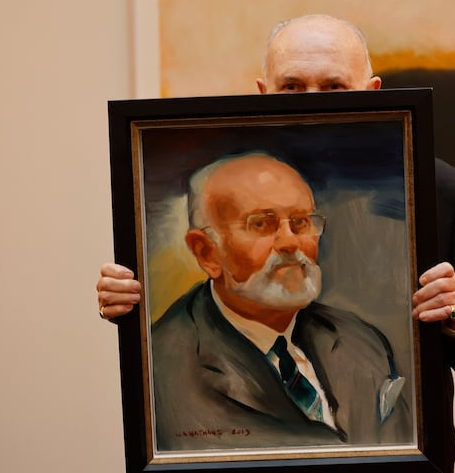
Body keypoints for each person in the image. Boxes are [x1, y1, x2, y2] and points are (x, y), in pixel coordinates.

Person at [96, 14, 455, 473]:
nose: (312, 103)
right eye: (292, 87)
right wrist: (128, 303)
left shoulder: (440, 188)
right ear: (263, 94)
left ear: (373, 90)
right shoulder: (210, 179)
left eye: (335, 87)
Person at [151, 151, 411, 450]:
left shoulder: (361, 341)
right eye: (261, 224)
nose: (290, 242)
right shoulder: (164, 368)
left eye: (300, 222)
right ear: (207, 252)